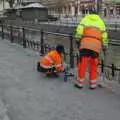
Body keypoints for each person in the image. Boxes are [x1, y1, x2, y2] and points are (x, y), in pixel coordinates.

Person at [75, 9, 109, 89]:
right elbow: (104, 36)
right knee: (94, 65)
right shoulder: (101, 22)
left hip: (85, 44)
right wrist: (105, 47)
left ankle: (80, 83)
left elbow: (79, 31)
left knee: (82, 64)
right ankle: (93, 84)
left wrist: (77, 40)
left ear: (89, 13)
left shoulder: (85, 19)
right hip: (96, 46)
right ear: (97, 14)